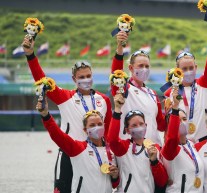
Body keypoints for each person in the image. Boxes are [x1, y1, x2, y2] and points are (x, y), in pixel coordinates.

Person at [23, 37, 112, 193]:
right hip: (69, 153)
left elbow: (109, 131)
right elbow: (41, 80)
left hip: (94, 156)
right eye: (81, 77)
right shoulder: (64, 97)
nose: (86, 80)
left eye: (88, 76)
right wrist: (30, 55)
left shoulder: (103, 100)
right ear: (74, 79)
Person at [36, 97, 119, 193]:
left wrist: (115, 176)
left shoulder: (111, 152)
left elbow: (115, 184)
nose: (97, 127)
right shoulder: (78, 149)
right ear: (85, 130)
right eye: (92, 125)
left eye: (100, 124)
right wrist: (45, 115)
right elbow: (57, 135)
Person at [164, 15, 207, 142]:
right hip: (181, 143)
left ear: (196, 67)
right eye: (184, 69)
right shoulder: (169, 92)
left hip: (204, 141)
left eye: (191, 68)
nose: (188, 72)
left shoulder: (204, 83)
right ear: (177, 69)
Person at [111, 33, 165, 145]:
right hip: (131, 149)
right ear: (131, 68)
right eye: (140, 66)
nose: (144, 69)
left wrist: (172, 111)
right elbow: (116, 73)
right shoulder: (124, 88)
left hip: (153, 150)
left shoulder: (153, 94)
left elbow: (161, 125)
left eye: (147, 66)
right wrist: (120, 47)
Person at [107, 92, 168, 193]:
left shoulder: (155, 148)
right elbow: (112, 139)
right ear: (127, 130)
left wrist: (154, 161)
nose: (139, 127)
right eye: (134, 125)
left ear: (146, 125)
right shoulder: (124, 147)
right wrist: (117, 110)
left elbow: (162, 181)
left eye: (141, 124)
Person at [162, 88, 205, 193]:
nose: (182, 122)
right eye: (178, 119)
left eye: (184, 119)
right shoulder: (169, 149)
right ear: (170, 124)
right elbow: (172, 138)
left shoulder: (191, 144)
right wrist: (175, 108)